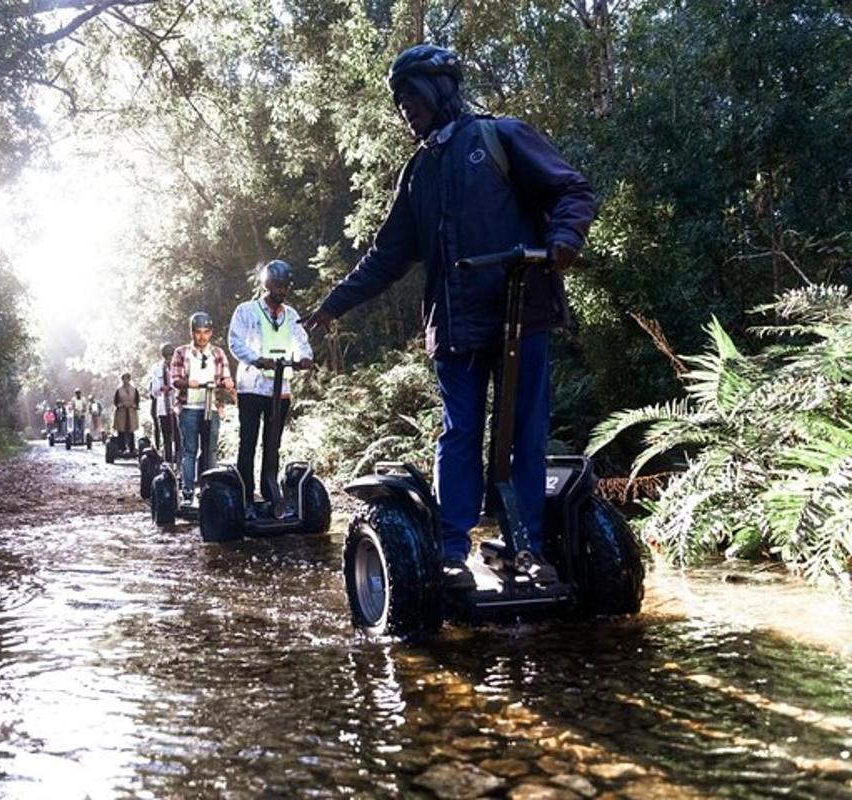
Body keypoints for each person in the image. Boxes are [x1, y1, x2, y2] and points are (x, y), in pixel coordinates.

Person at [304, 44, 596, 589]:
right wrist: (334, 303)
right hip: (454, 324)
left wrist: (562, 240)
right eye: (397, 101)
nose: (403, 109)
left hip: (521, 313)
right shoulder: (418, 173)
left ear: (440, 90)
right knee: (460, 432)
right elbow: (387, 255)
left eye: (410, 96)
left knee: (525, 432)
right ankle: (452, 551)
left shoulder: (499, 137)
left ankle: (526, 545)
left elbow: (572, 189)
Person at [228, 260, 314, 510]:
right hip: (252, 387)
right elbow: (235, 342)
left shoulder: (292, 315)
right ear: (267, 284)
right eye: (278, 286)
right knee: (249, 440)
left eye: (286, 286)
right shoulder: (247, 311)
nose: (282, 291)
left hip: (280, 389)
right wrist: (257, 359)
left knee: (273, 442)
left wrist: (305, 358)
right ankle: (245, 493)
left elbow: (301, 341)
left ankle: (269, 491)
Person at [170, 312, 234, 505]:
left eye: (206, 332)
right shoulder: (181, 352)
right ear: (192, 332)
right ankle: (188, 492)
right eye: (198, 332)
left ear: (211, 332)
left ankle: (210, 490)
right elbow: (175, 380)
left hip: (212, 407)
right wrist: (189, 383)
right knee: (190, 450)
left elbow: (225, 376)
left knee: (211, 450)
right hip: (189, 407)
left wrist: (228, 382)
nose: (202, 336)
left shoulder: (218, 353)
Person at [147, 343, 179, 465]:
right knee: (166, 436)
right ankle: (168, 460)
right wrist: (161, 388)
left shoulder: (179, 368)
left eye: (171, 355)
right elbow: (154, 391)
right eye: (167, 356)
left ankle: (179, 460)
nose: (169, 358)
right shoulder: (157, 370)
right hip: (163, 407)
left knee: (178, 435)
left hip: (177, 406)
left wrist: (172, 387)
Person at [113, 373, 140, 453]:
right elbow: (116, 401)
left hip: (131, 412)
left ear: (129, 379)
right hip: (122, 412)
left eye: (127, 379)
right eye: (124, 379)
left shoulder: (134, 390)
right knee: (121, 430)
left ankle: (131, 448)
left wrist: (135, 405)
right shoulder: (119, 390)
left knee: (131, 430)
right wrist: (120, 405)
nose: (125, 381)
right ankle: (121, 448)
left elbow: (137, 400)